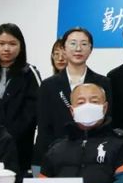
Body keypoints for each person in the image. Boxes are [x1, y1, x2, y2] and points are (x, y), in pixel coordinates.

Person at [34, 27, 111, 170]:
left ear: (90, 49)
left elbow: (108, 123)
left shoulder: (103, 83)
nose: (78, 49)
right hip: (56, 157)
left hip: (94, 158)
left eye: (84, 44)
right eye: (73, 43)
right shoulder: (48, 85)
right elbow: (44, 128)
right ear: (64, 48)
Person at [40, 83, 123, 183]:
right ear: (72, 111)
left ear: (105, 108)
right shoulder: (56, 149)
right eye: (81, 102)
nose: (87, 106)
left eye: (94, 101)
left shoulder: (121, 144)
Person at [0, 23, 41, 174]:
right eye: (1, 44)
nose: (6, 48)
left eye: (12, 44)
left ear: (21, 46)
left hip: (20, 146)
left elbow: (34, 111)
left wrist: (8, 136)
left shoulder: (30, 73)